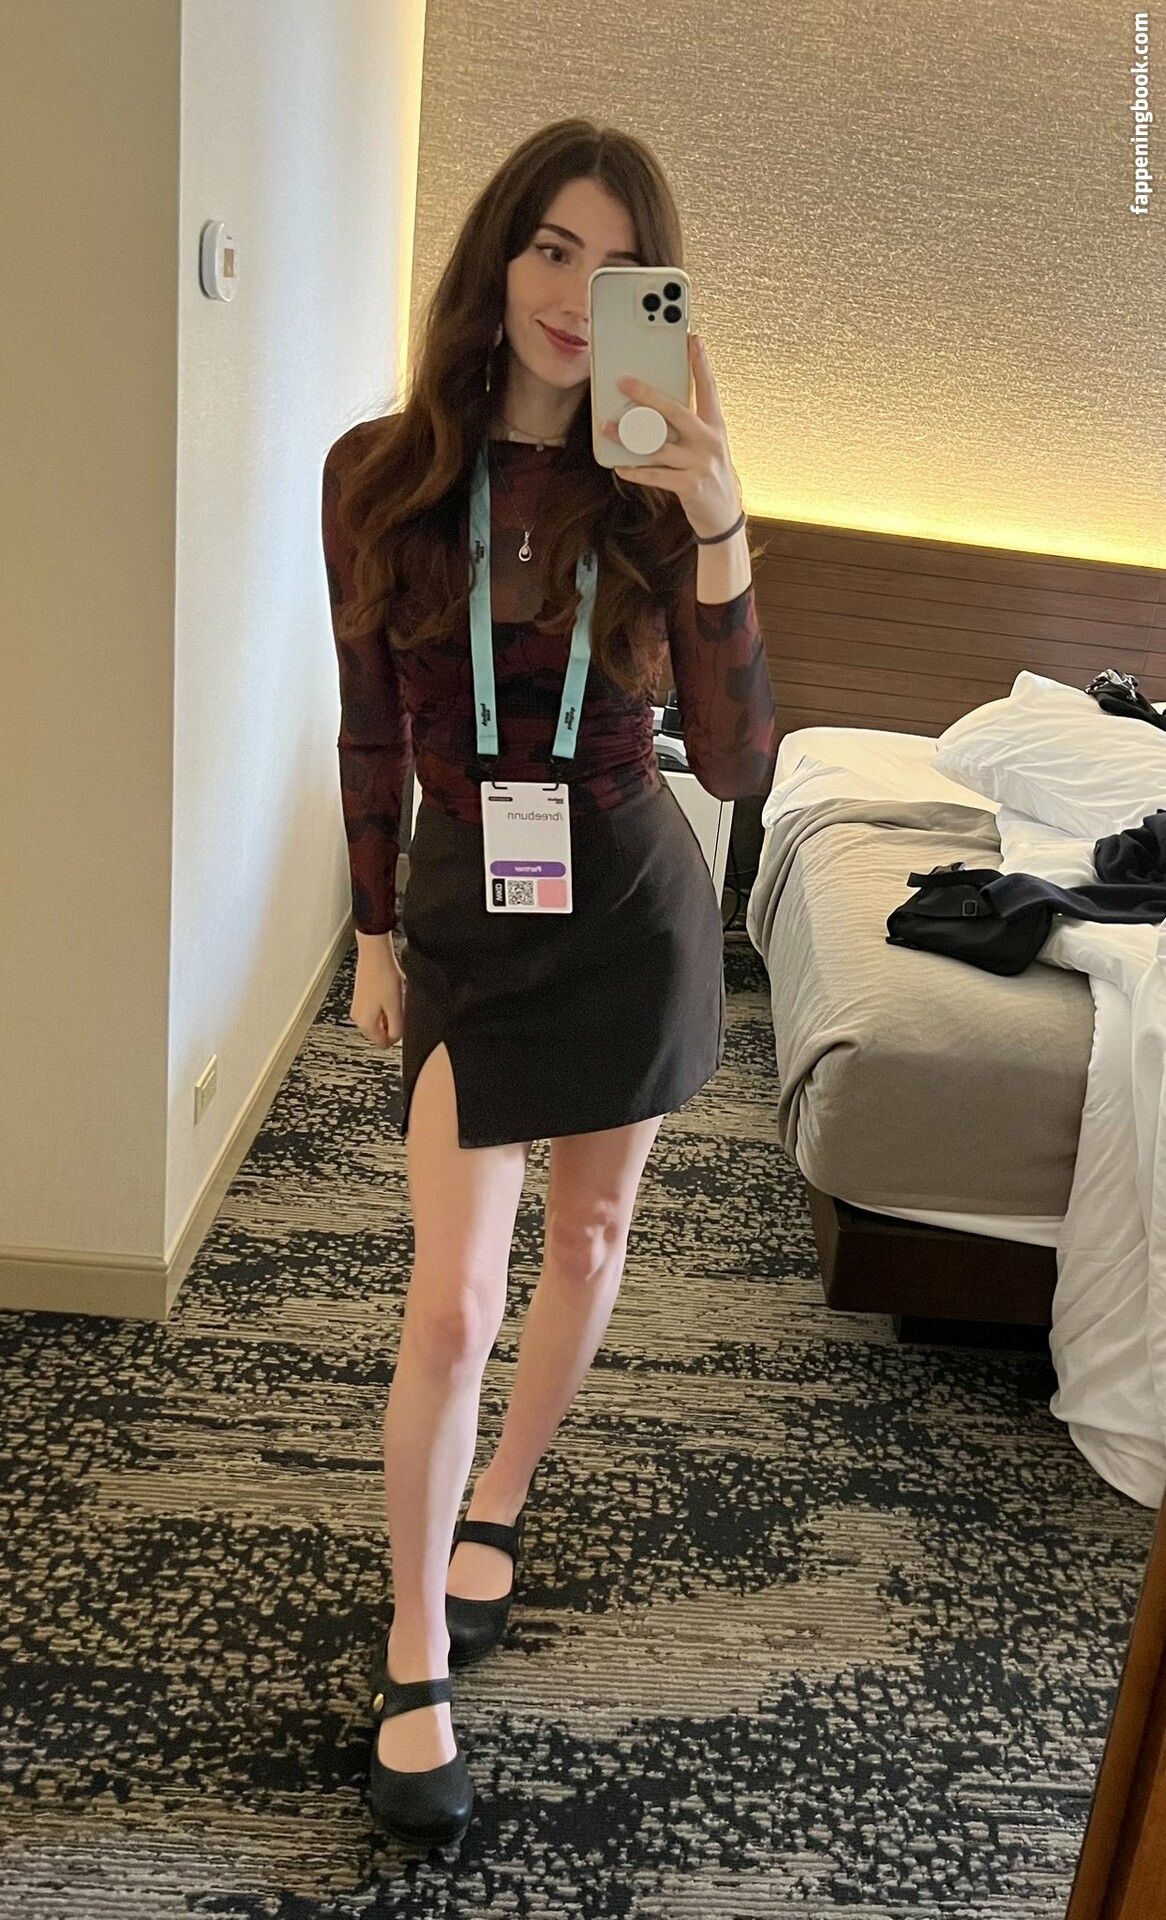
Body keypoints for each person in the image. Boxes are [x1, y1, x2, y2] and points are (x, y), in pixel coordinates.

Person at [321, 117, 777, 1849]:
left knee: (588, 1237)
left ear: (664, 299)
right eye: (551, 249)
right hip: (467, 907)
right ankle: (414, 1647)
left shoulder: (657, 492)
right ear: (497, 258)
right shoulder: (378, 473)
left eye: (621, 268)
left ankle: (499, 1494)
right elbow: (370, 725)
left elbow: (735, 765)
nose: (578, 296)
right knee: (450, 1301)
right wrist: (373, 931)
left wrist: (720, 525)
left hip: (628, 904)